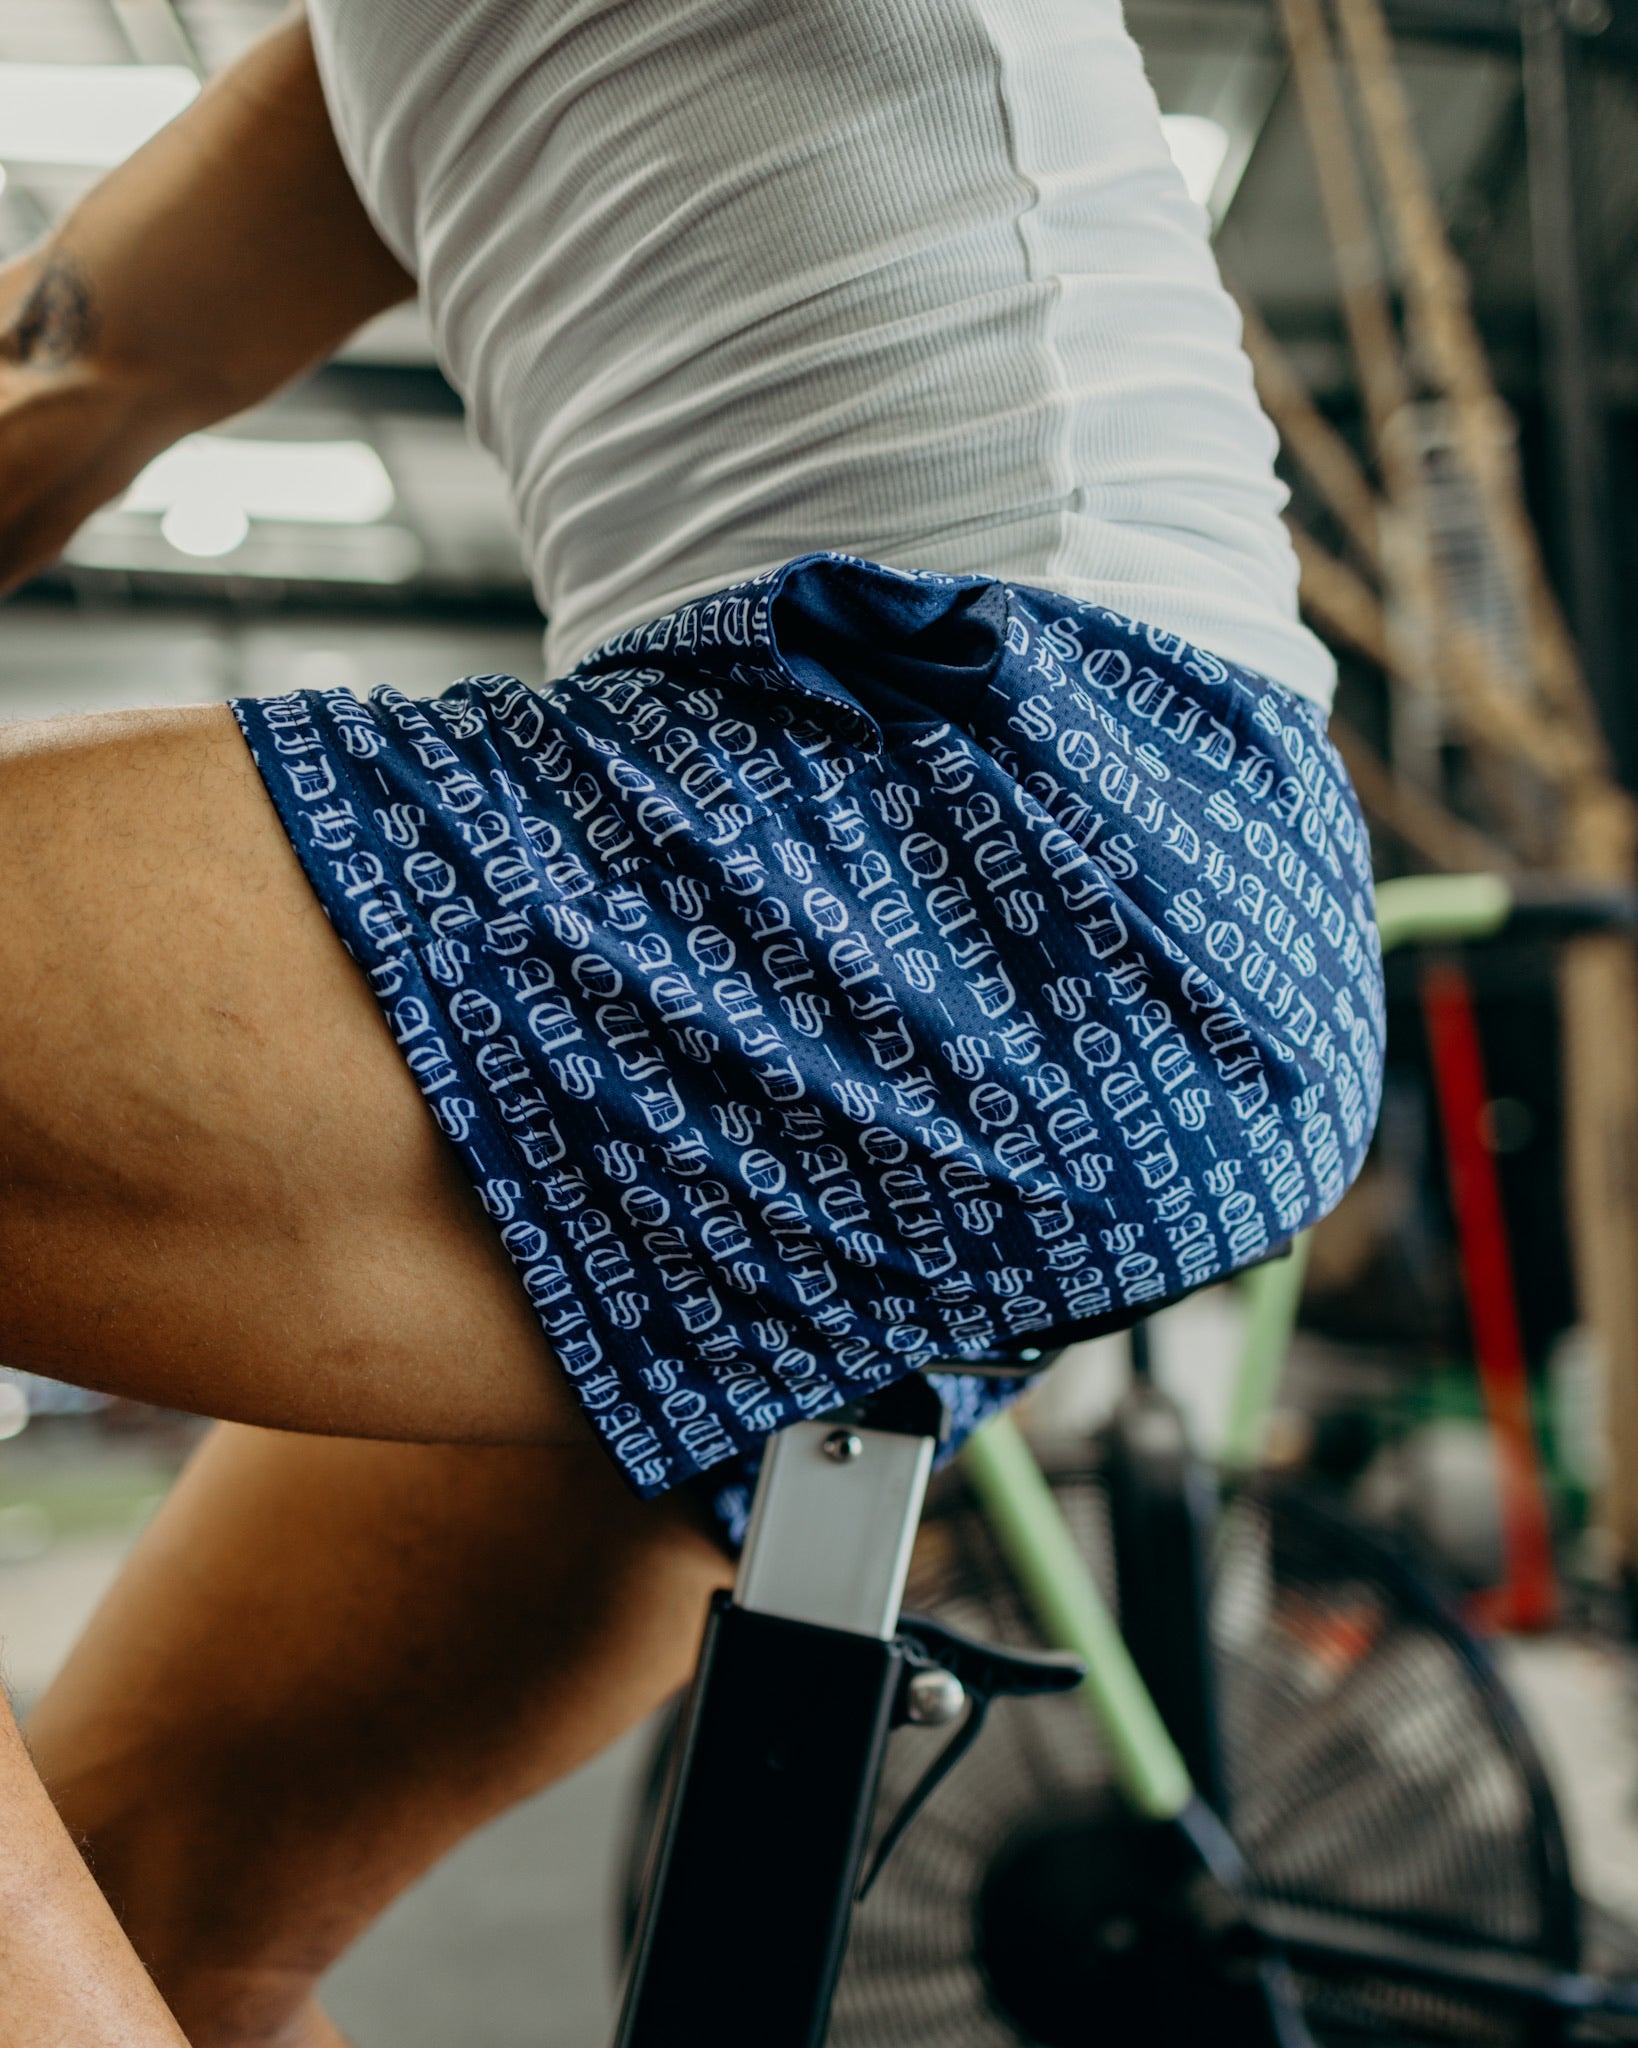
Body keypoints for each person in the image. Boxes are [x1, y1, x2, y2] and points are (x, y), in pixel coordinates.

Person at [0, 2, 1382, 2040]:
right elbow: (88, 362)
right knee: (150, 1895)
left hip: (983, 808)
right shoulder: (395, 49)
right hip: (954, 923)